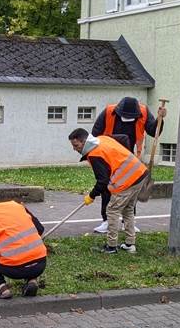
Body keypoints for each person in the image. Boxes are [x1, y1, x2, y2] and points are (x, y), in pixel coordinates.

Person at [90, 96, 166, 234]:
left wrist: (160, 119)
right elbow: (95, 134)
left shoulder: (143, 112)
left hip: (130, 157)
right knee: (108, 187)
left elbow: (153, 131)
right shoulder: (108, 112)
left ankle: (128, 222)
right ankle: (107, 221)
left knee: (131, 189)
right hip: (109, 156)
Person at [68, 128, 148, 254]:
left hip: (127, 181)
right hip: (140, 173)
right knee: (128, 210)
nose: (74, 149)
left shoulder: (95, 154)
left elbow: (102, 181)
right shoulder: (102, 139)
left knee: (112, 210)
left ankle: (111, 246)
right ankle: (129, 244)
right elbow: (124, 138)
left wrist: (91, 195)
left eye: (76, 145)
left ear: (84, 142)